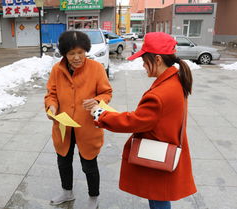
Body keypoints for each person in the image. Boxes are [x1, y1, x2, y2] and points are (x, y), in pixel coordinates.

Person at [90, 32, 197, 209]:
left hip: (157, 153)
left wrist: (100, 114)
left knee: (158, 199)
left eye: (144, 59)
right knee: (159, 197)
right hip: (165, 146)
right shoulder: (174, 80)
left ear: (157, 59)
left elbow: (133, 121)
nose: (142, 64)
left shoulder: (160, 93)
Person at [44, 30, 112, 209]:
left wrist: (97, 101)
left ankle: (93, 196)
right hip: (63, 126)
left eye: (80, 52)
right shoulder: (57, 70)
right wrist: (51, 106)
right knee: (63, 161)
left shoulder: (96, 68)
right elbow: (51, 94)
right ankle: (67, 192)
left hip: (87, 127)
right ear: (65, 54)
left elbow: (106, 93)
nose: (77, 57)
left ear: (86, 51)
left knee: (89, 164)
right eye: (72, 53)